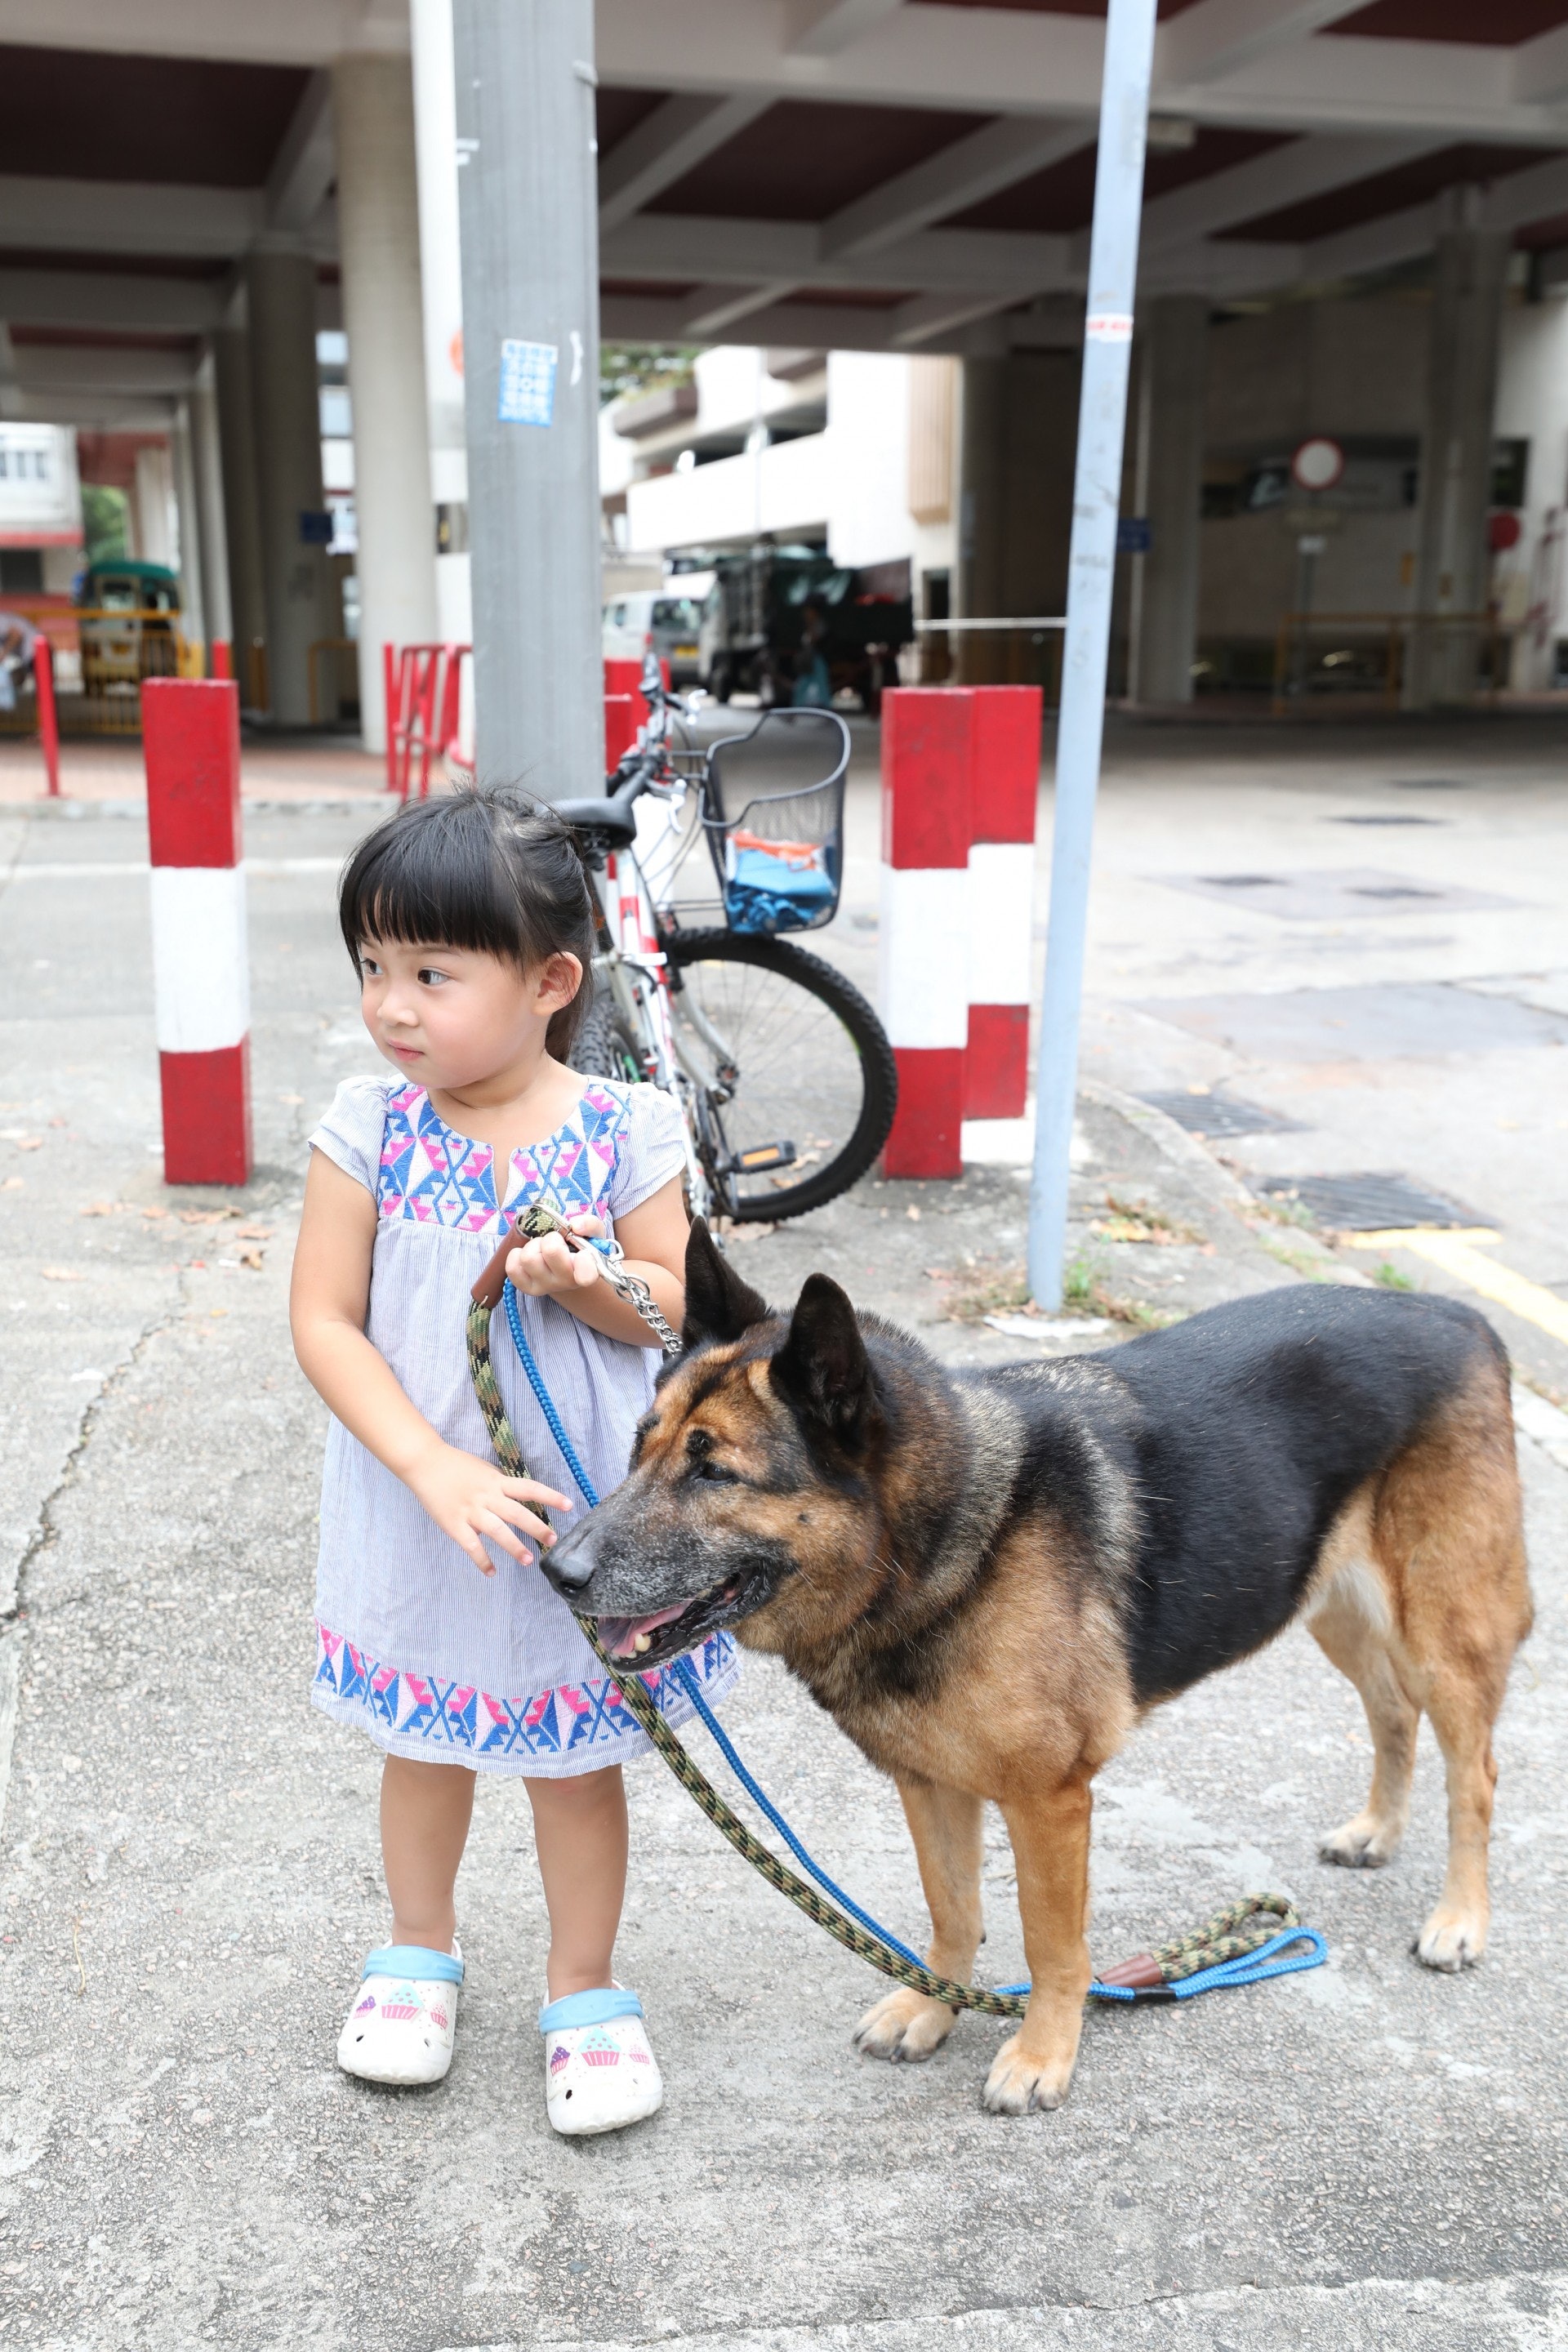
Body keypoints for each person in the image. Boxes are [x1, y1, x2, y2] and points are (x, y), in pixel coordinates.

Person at [289, 786, 737, 2136]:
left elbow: (672, 1306)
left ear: (548, 982)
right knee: (424, 1742)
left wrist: (593, 1280)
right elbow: (323, 1320)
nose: (392, 1005)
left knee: (567, 1756)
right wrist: (429, 1466)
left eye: (430, 971)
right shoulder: (367, 1130)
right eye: (373, 967)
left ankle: (585, 1990)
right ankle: (417, 1952)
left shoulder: (624, 1129)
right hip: (421, 1506)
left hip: (578, 1520)